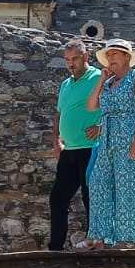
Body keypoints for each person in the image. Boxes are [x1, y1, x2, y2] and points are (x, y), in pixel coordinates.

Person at [77, 39, 135, 251]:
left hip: (129, 138)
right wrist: (101, 80)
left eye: (115, 54)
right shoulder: (108, 83)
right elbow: (91, 106)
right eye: (108, 55)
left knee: (127, 188)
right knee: (98, 184)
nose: (110, 59)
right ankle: (99, 236)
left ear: (127, 57)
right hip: (106, 138)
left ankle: (125, 239)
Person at [48, 39, 103, 251]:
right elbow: (59, 114)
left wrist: (101, 127)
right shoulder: (66, 84)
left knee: (90, 196)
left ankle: (96, 242)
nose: (71, 64)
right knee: (58, 198)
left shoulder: (99, 77)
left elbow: (114, 107)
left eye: (75, 59)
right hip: (69, 150)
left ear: (86, 57)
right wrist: (56, 141)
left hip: (92, 148)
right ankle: (55, 247)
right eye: (67, 60)